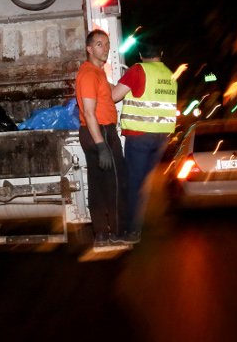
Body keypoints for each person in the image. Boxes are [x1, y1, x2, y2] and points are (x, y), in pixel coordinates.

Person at [111, 41, 177, 244]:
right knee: (141, 183)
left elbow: (114, 96)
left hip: (140, 136)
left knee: (133, 184)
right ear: (161, 52)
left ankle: (131, 231)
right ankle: (133, 226)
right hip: (162, 137)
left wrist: (106, 83)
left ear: (140, 55)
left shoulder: (138, 70)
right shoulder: (169, 75)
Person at [75, 29, 129, 247]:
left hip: (96, 131)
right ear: (89, 49)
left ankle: (100, 234)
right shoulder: (89, 74)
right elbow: (89, 112)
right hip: (101, 131)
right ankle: (117, 232)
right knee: (116, 183)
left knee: (97, 184)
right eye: (99, 44)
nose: (105, 48)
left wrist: (130, 82)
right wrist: (101, 145)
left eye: (107, 44)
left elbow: (111, 96)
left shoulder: (97, 73)